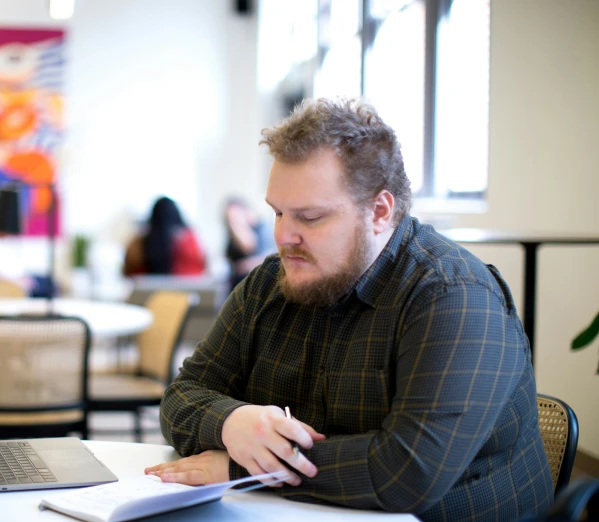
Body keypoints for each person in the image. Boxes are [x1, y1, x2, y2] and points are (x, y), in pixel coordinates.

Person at [145, 98, 552, 521]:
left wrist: (242, 467)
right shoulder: (270, 283)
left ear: (379, 211)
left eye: (310, 217)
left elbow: (407, 473)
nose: (284, 236)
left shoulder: (454, 297)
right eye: (278, 212)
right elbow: (182, 396)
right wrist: (232, 422)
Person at [123, 196, 206, 276]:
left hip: (148, 289)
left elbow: (127, 272)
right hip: (182, 288)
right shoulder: (190, 241)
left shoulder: (138, 243)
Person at [224, 197, 276, 290]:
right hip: (235, 284)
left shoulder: (262, 228)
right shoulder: (232, 233)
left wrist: (236, 224)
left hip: (253, 283)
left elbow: (249, 247)